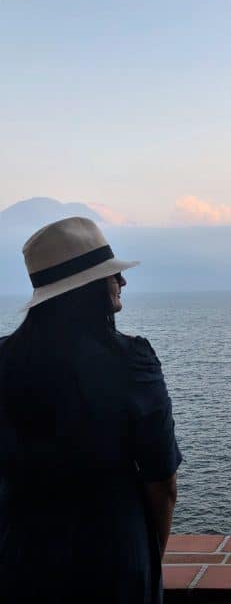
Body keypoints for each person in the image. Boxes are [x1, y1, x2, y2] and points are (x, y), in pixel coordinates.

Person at [0, 217, 182, 602]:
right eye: (111, 275)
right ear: (86, 288)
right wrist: (149, 562)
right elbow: (162, 484)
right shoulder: (132, 361)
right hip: (113, 559)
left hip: (19, 560)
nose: (123, 282)